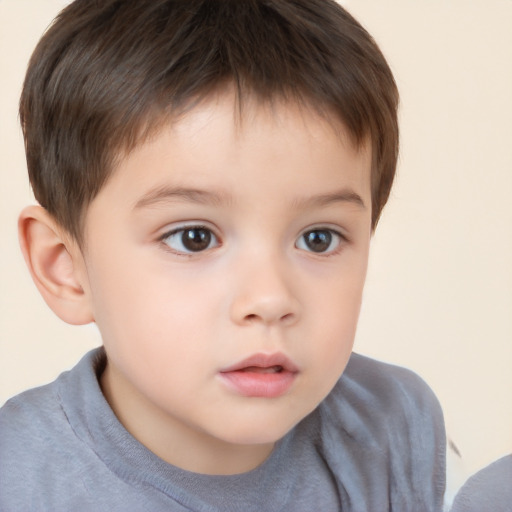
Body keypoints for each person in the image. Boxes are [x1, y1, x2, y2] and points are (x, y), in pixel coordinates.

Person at [0, 1, 450, 510]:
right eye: (193, 237)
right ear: (65, 267)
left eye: (318, 238)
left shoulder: (391, 423)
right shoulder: (17, 481)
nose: (270, 299)